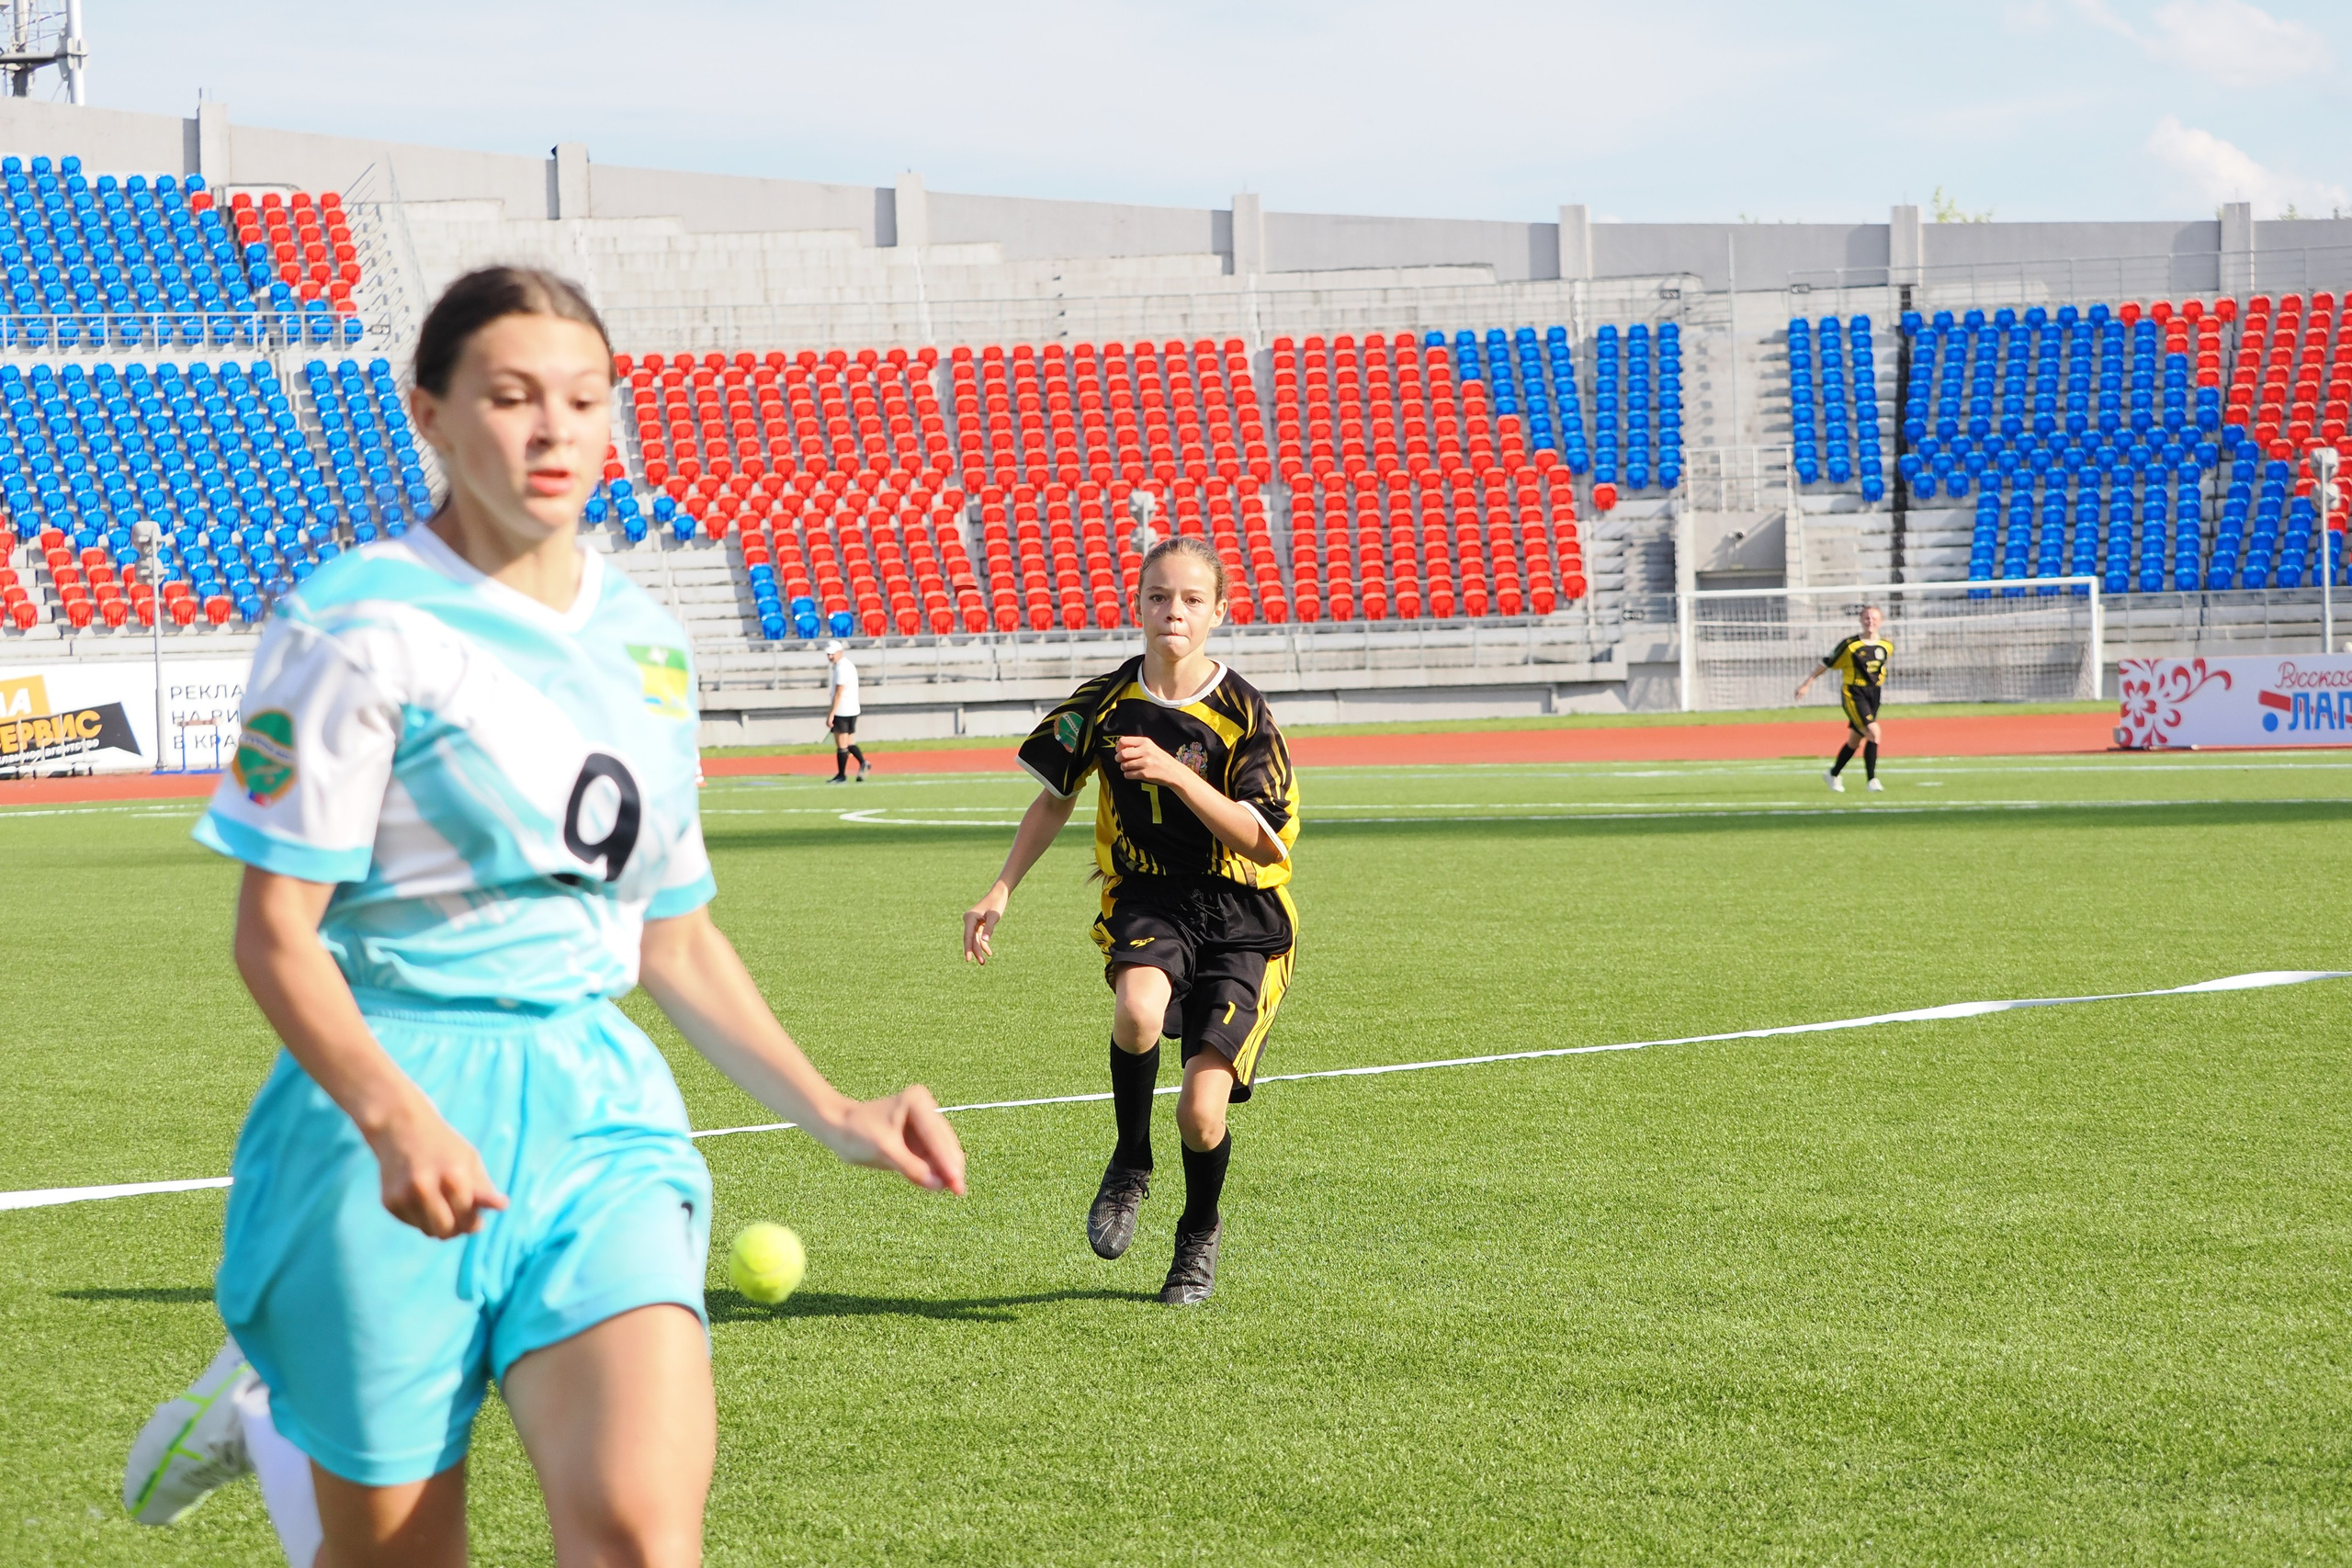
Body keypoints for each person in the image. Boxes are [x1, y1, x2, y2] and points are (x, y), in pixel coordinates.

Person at [120, 266, 966, 1568]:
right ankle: (282, 1416)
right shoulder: (353, 621)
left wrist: (838, 1109)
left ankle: (284, 1401)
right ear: (433, 415)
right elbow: (274, 929)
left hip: (595, 1109)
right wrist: (396, 1118)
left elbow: (670, 931)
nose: (552, 427)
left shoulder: (648, 643)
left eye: (582, 398)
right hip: (383, 1112)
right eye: (510, 396)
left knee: (637, 1531)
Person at [963, 535, 1298, 1307]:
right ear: (1138, 606)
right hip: (1149, 899)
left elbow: (1261, 836)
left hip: (1244, 914)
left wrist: (1178, 771)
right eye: (1157, 596)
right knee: (1138, 1007)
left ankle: (1198, 1230)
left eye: (1189, 599)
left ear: (1219, 611)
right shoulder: (1105, 701)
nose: (1172, 610)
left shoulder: (1246, 713)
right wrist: (1002, 888)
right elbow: (1054, 796)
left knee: (1202, 1111)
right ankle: (1130, 1159)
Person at [1794, 603, 1892, 793]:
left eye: (1873, 618)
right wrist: (1807, 683)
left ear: (1880, 621)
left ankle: (1833, 773)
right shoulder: (1850, 645)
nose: (1869, 621)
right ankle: (1872, 780)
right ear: (1860, 620)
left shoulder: (1886, 645)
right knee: (1874, 732)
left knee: (1856, 741)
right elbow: (1826, 663)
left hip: (1874, 694)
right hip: (1854, 693)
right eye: (1866, 618)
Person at [824, 638, 868, 782]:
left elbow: (839, 692)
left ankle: (842, 774)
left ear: (840, 652)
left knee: (841, 744)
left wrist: (831, 713)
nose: (830, 657)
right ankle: (863, 762)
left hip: (843, 710)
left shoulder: (842, 667)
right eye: (828, 654)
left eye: (832, 654)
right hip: (853, 708)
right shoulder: (848, 665)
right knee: (849, 742)